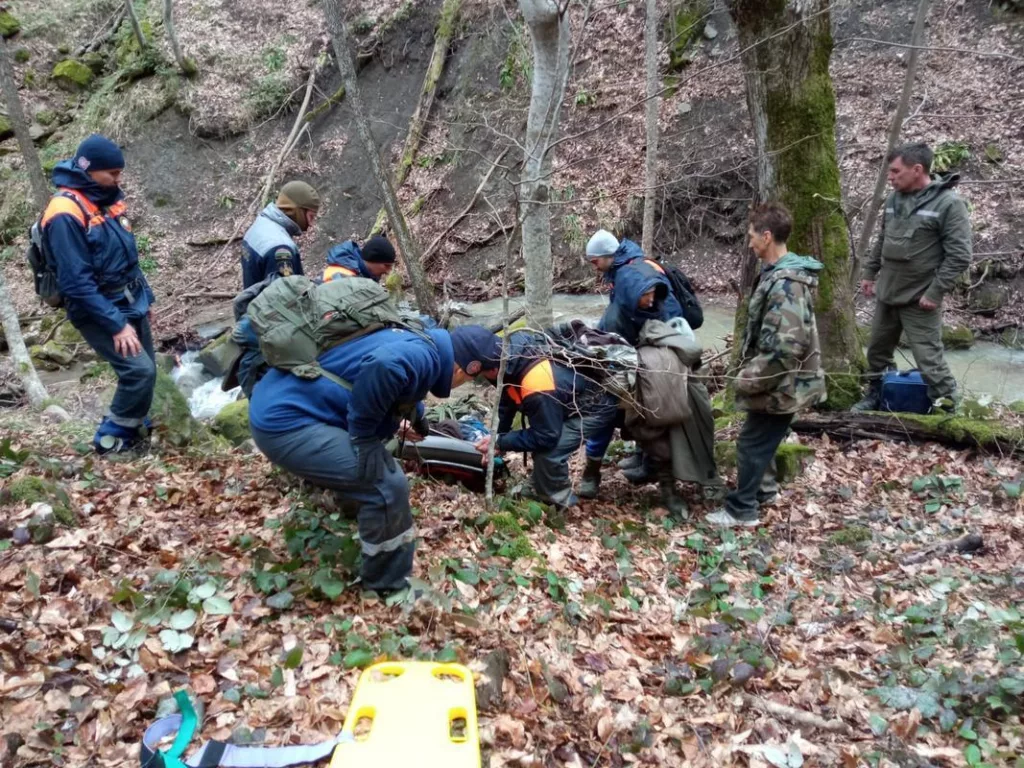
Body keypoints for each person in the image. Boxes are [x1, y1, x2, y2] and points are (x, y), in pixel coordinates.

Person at [247, 323, 491, 594]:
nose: (465, 383)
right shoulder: (423, 356)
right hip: (285, 422)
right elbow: (385, 364)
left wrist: (417, 416)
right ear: (463, 369)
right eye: (471, 379)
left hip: (280, 398)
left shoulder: (421, 340)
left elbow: (403, 380)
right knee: (386, 485)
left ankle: (357, 522)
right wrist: (362, 436)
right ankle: (388, 586)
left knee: (374, 469)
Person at [706, 203, 826, 528]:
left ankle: (742, 510)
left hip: (782, 384)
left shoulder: (787, 284)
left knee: (750, 444)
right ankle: (764, 492)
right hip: (783, 383)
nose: (749, 243)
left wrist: (748, 378)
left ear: (767, 236)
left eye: (752, 236)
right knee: (763, 441)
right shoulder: (779, 275)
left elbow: (784, 348)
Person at [41, 134, 156, 454]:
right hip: (96, 307)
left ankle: (137, 431)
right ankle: (111, 442)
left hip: (129, 298)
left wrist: (146, 299)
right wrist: (116, 325)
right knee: (139, 372)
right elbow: (76, 284)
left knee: (149, 370)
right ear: (88, 170)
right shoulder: (65, 212)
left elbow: (128, 257)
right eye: (113, 173)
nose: (119, 179)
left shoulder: (106, 198)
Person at [853, 143, 972, 413]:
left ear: (917, 169)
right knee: (877, 352)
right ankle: (877, 394)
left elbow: (960, 255)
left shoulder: (949, 204)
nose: (890, 177)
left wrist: (935, 292)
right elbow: (883, 239)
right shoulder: (893, 200)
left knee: (929, 359)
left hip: (920, 298)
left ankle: (947, 408)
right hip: (888, 292)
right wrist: (870, 272)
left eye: (896, 171)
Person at [460, 327, 619, 509]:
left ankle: (559, 502)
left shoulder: (536, 383)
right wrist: (496, 437)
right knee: (542, 444)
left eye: (481, 374)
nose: (480, 378)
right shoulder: (511, 359)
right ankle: (540, 484)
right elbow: (506, 404)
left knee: (550, 453)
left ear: (493, 369)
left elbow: (545, 436)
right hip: (567, 400)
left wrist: (499, 442)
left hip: (595, 406)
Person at [240, 180, 321, 289]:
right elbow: (285, 296)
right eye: (311, 217)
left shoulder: (261, 224)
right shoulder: (280, 248)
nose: (311, 224)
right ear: (296, 211)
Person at [323, 235, 396, 282]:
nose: (388, 271)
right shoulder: (344, 278)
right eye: (386, 266)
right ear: (373, 259)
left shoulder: (357, 272)